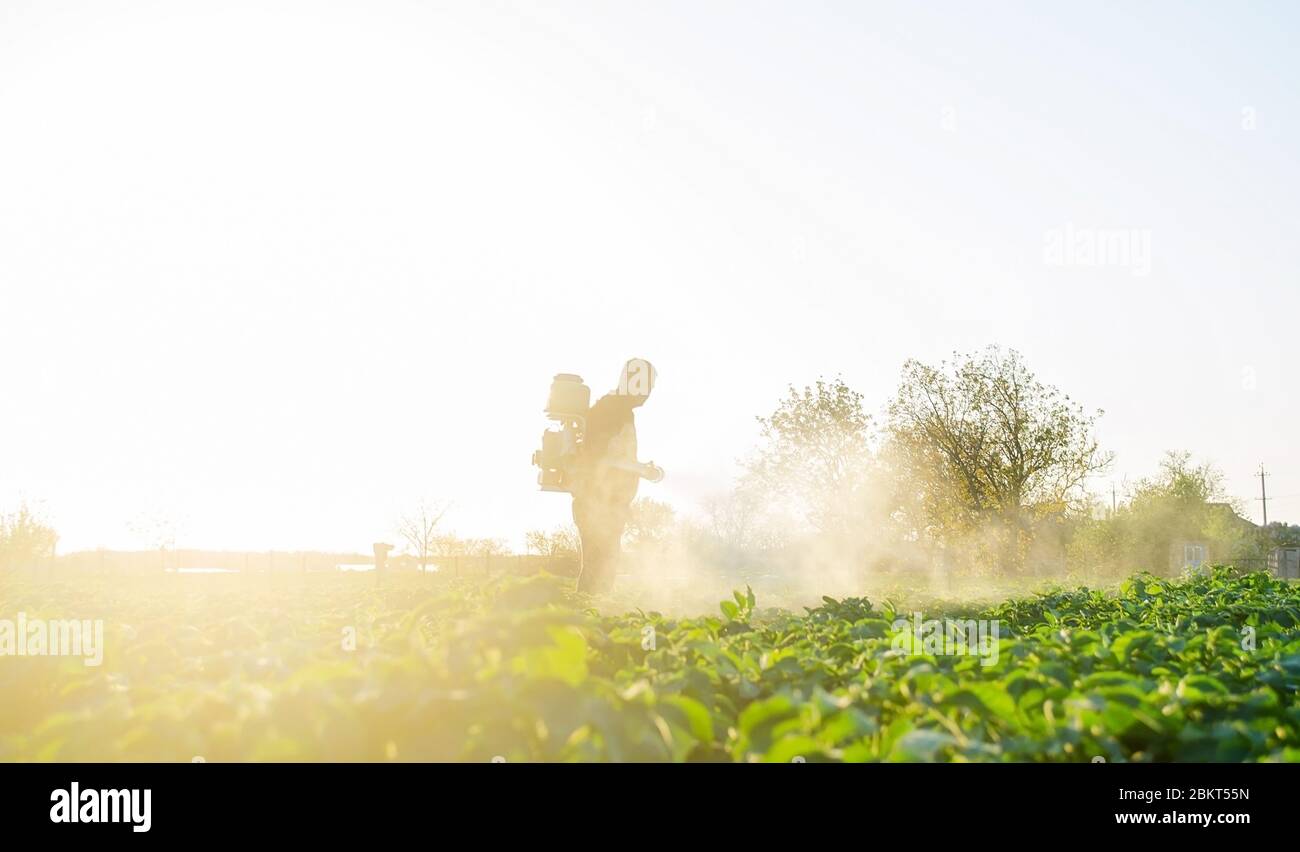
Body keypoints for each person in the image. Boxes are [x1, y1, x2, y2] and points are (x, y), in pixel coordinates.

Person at [570, 358, 656, 594]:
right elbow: (598, 458)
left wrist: (639, 468)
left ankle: (590, 620)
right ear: (637, 382)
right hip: (597, 503)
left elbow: (614, 456)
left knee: (602, 569)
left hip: (608, 504)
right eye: (648, 387)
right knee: (598, 571)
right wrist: (639, 470)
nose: (648, 395)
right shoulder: (612, 411)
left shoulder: (618, 410)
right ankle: (586, 621)